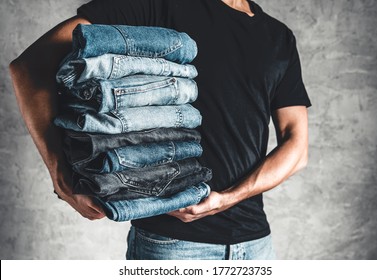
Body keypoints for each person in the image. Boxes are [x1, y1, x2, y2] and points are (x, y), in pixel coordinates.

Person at [9, 0, 311, 260]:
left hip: (256, 244)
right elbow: (31, 65)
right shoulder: (160, 4)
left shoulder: (278, 38)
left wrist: (230, 197)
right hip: (171, 245)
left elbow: (296, 147)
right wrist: (63, 178)